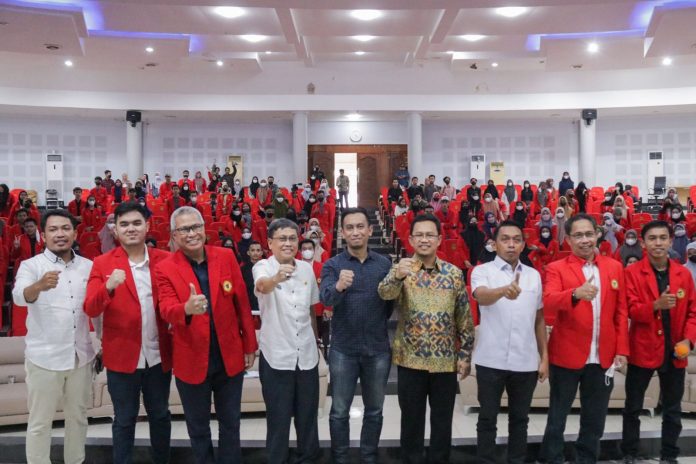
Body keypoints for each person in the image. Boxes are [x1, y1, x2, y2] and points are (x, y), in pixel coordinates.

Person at [155, 206, 257, 464]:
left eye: (196, 227)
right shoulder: (165, 267)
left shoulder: (225, 256)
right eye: (184, 229)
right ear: (174, 235)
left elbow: (242, 304)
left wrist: (249, 345)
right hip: (191, 358)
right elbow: (166, 308)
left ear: (204, 228)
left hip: (229, 356)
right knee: (198, 428)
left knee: (231, 424)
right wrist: (186, 309)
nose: (191, 234)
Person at [378, 214, 474, 464]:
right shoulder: (401, 270)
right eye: (418, 235)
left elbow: (464, 315)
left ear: (439, 239)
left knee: (442, 421)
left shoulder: (453, 274)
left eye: (429, 234)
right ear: (410, 239)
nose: (424, 239)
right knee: (411, 421)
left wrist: (465, 354)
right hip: (410, 361)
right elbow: (384, 293)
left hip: (445, 362)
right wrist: (397, 275)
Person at [84, 202, 173, 464]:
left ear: (147, 226)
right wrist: (108, 287)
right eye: (124, 224)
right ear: (115, 230)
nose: (131, 229)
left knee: (160, 415)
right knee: (124, 419)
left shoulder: (165, 259)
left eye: (136, 223)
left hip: (158, 356)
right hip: (122, 357)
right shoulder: (102, 263)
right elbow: (90, 306)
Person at [540, 213, 629, 464]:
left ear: (597, 234)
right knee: (557, 416)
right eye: (578, 235)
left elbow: (621, 312)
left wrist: (622, 349)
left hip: (603, 357)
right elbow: (548, 300)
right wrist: (575, 294)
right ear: (568, 239)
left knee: (595, 418)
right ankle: (551, 459)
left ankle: (586, 459)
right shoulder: (556, 268)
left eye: (589, 234)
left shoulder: (614, 267)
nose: (585, 240)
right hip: (566, 355)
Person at [12, 209, 96, 464]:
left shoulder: (88, 266)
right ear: (44, 234)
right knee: (40, 422)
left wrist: (99, 344)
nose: (60, 234)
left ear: (74, 232)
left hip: (80, 357)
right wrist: (38, 286)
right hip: (44, 359)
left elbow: (97, 308)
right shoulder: (32, 266)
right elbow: (18, 296)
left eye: (65, 228)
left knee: (78, 418)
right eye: (53, 229)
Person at [471, 220, 548, 464]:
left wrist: (544, 357)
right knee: (487, 419)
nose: (511, 244)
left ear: (524, 244)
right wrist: (503, 291)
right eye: (505, 239)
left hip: (525, 362)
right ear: (494, 244)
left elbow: (539, 320)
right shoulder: (482, 271)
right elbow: (481, 297)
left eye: (517, 240)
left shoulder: (534, 276)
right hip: (490, 360)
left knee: (520, 419)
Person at [320, 208, 393, 463]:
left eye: (360, 226)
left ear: (370, 230)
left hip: (377, 349)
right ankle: (339, 458)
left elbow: (389, 304)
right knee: (339, 411)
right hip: (343, 350)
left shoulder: (384, 264)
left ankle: (369, 456)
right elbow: (326, 300)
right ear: (342, 232)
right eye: (349, 227)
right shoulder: (333, 265)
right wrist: (339, 286)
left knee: (374, 410)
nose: (355, 232)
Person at [621, 221, 696, 464]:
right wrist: (655, 305)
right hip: (642, 349)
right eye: (652, 238)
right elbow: (631, 310)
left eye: (663, 238)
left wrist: (689, 341)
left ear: (671, 241)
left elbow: (693, 312)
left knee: (673, 411)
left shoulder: (683, 273)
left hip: (676, 352)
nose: (658, 243)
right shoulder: (631, 273)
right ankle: (630, 453)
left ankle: (669, 456)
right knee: (633, 407)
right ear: (643, 243)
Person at [253, 218, 321, 464]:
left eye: (293, 238)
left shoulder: (306, 269)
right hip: (276, 357)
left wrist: (316, 341)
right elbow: (262, 286)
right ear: (270, 242)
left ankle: (309, 458)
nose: (288, 243)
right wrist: (276, 278)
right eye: (282, 238)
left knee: (308, 418)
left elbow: (311, 311)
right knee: (278, 419)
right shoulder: (262, 266)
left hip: (307, 356)